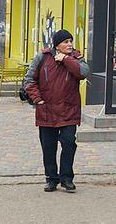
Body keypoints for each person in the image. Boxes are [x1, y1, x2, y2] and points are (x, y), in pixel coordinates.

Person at [22, 29, 89, 193]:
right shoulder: (42, 57)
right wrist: (38, 99)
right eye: (66, 42)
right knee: (48, 146)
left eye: (71, 41)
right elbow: (29, 79)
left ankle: (67, 178)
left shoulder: (76, 58)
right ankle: (51, 178)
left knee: (68, 143)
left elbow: (83, 73)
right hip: (47, 109)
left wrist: (66, 59)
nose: (70, 44)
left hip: (69, 109)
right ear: (57, 44)